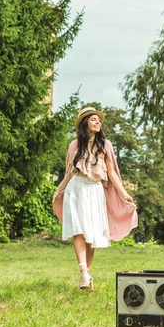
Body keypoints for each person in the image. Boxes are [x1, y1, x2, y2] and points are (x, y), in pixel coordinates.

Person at [53, 106, 138, 291]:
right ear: (85, 123)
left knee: (92, 236)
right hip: (75, 189)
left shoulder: (105, 145)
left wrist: (124, 194)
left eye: (99, 120)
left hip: (94, 190)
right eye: (93, 119)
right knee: (78, 231)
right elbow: (69, 170)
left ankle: (87, 275)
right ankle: (84, 272)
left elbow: (112, 173)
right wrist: (60, 189)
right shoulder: (74, 145)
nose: (98, 122)